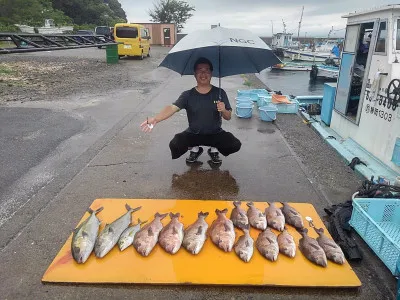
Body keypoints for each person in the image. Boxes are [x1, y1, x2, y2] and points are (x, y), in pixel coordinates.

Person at [140, 57, 241, 164]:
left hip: (215, 133)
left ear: (211, 73)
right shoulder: (187, 95)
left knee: (234, 144)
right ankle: (195, 149)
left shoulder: (220, 93)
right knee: (175, 145)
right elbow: (172, 108)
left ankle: (213, 150)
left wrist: (224, 110)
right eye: (199, 70)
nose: (203, 74)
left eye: (206, 70)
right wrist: (156, 119)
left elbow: (228, 117)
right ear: (194, 74)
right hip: (194, 134)